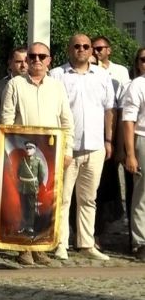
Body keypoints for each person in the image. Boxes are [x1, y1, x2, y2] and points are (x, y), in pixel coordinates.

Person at [0, 42, 75, 265]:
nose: (37, 60)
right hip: (23, 153)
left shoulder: (57, 87)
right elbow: (6, 121)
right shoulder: (15, 84)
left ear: (49, 60)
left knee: (46, 200)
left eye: (42, 56)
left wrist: (68, 151)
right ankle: (24, 247)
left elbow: (67, 122)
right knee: (24, 201)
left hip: (51, 154)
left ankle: (41, 246)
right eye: (32, 56)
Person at [49, 34, 115, 261]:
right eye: (77, 46)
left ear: (91, 50)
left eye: (86, 46)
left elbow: (109, 110)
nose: (82, 49)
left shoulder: (102, 75)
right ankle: (60, 243)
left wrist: (108, 140)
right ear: (69, 49)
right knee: (63, 198)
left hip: (95, 145)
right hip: (68, 147)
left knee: (88, 199)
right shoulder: (57, 75)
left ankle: (86, 243)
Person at [92, 35, 130, 237]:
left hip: (114, 129)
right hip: (95, 129)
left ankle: (111, 218)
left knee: (110, 178)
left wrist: (118, 141)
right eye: (93, 48)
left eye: (100, 48)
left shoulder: (120, 71)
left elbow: (122, 105)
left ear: (109, 50)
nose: (96, 51)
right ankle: (97, 225)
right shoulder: (90, 69)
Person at [122, 46, 145, 261]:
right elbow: (128, 121)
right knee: (142, 195)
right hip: (143, 138)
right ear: (138, 64)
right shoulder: (137, 85)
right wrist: (130, 153)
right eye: (143, 59)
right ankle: (140, 242)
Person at [17, 141, 47, 235]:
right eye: (27, 148)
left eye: (30, 148)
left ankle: (29, 226)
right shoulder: (22, 160)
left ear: (34, 150)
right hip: (22, 187)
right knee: (23, 207)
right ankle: (23, 226)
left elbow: (41, 175)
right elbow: (18, 173)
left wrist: (36, 184)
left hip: (31, 187)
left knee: (30, 208)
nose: (28, 150)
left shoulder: (38, 161)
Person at [0, 46, 28, 117]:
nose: (23, 65)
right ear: (10, 64)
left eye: (26, 61)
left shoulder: (36, 86)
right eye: (19, 62)